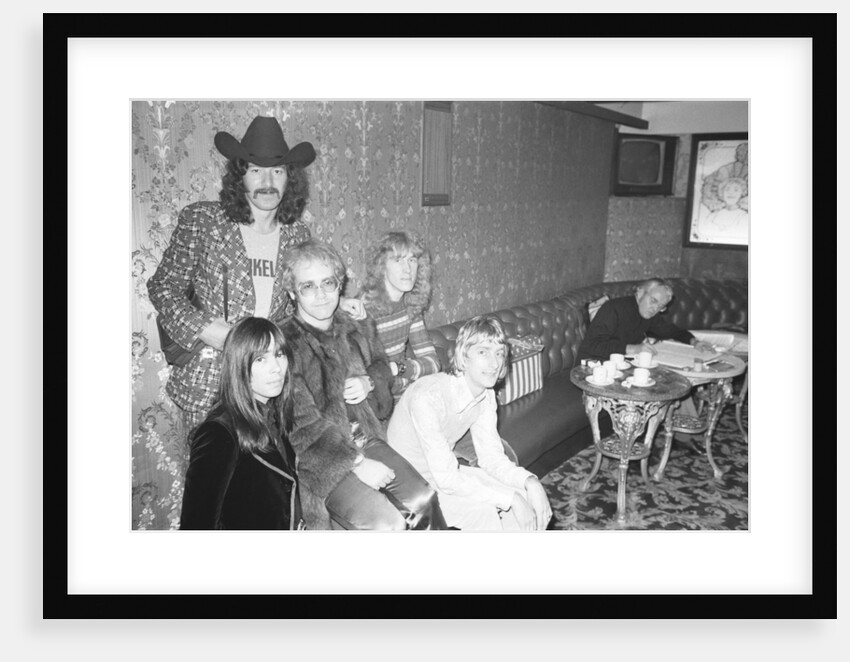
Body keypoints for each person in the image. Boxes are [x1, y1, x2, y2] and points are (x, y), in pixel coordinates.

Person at [147, 114, 363, 434]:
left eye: (277, 171)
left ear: (289, 179)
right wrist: (206, 328)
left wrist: (333, 301)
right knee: (212, 482)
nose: (267, 181)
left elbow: (295, 301)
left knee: (268, 482)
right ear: (240, 176)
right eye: (255, 170)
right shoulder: (203, 220)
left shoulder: (296, 233)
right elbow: (163, 287)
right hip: (211, 383)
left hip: (271, 385)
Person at [278, 239, 447, 530]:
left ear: (339, 285)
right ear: (293, 293)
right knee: (387, 524)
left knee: (424, 499)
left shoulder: (355, 325)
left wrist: (369, 381)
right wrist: (357, 464)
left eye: (328, 283)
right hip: (323, 464)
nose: (320, 295)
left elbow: (382, 371)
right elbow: (302, 430)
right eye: (308, 286)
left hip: (366, 439)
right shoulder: (284, 345)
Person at [387, 316, 552, 531]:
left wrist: (531, 482)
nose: (494, 363)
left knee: (524, 495)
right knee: (485, 511)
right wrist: (509, 499)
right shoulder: (428, 396)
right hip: (408, 486)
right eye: (483, 352)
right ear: (464, 357)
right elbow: (447, 478)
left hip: (441, 472)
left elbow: (491, 458)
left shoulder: (486, 395)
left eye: (499, 353)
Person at [180, 317, 302, 530]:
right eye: (260, 359)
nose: (276, 368)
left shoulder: (273, 415)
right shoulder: (218, 433)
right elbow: (197, 525)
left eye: (279, 354)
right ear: (239, 365)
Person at [359, 231, 442, 399]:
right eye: (398, 260)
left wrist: (398, 369)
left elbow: (433, 363)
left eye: (412, 260)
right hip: (376, 404)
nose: (407, 270)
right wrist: (399, 376)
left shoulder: (411, 305)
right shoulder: (363, 311)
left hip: (404, 396)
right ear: (381, 266)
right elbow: (361, 378)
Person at [576, 278, 713, 362]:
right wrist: (633, 349)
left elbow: (671, 331)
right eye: (653, 301)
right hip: (592, 368)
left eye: (661, 306)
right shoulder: (613, 309)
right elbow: (592, 346)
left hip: (620, 365)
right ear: (640, 293)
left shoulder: (648, 313)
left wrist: (694, 341)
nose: (655, 308)